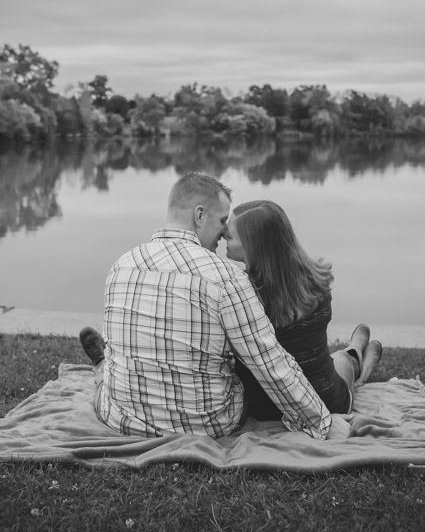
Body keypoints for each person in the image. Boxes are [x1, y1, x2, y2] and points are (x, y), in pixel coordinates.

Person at [80, 172, 350, 440]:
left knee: (117, 358)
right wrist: (321, 422)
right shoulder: (226, 277)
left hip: (123, 419)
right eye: (222, 221)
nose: (223, 232)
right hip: (207, 425)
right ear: (199, 216)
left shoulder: (121, 265)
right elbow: (269, 361)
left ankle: (103, 366)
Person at [223, 199, 382, 420]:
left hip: (269, 410)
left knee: (339, 361)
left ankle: (355, 353)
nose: (222, 235)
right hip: (327, 400)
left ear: (252, 245)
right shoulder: (315, 279)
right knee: (338, 361)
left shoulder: (241, 295)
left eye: (229, 234)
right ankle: (355, 352)